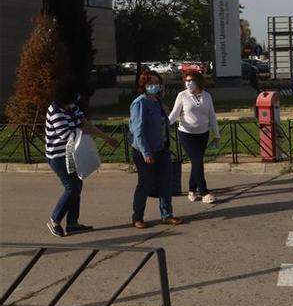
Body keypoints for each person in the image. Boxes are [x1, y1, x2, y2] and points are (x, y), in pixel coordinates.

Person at [44, 79, 118, 237]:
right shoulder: (55, 111)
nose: (78, 97)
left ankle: (72, 223)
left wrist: (107, 138)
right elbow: (67, 135)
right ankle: (54, 219)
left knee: (77, 184)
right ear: (66, 95)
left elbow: (86, 125)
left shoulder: (72, 107)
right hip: (57, 156)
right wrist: (81, 129)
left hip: (71, 153)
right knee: (72, 187)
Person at [129, 70, 184, 228]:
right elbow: (138, 131)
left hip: (162, 148)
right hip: (144, 151)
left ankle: (167, 214)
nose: (154, 86)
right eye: (150, 83)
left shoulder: (158, 101)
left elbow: (165, 122)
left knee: (166, 182)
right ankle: (137, 217)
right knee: (145, 184)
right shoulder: (140, 103)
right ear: (144, 86)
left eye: (156, 83)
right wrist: (146, 152)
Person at [168, 70, 220, 204]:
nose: (188, 83)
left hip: (203, 134)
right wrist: (164, 125)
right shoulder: (182, 96)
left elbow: (212, 116)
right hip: (186, 134)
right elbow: (174, 113)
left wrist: (217, 135)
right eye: (186, 81)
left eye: (191, 80)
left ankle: (192, 190)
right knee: (197, 161)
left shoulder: (207, 96)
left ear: (198, 81)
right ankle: (204, 192)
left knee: (196, 162)